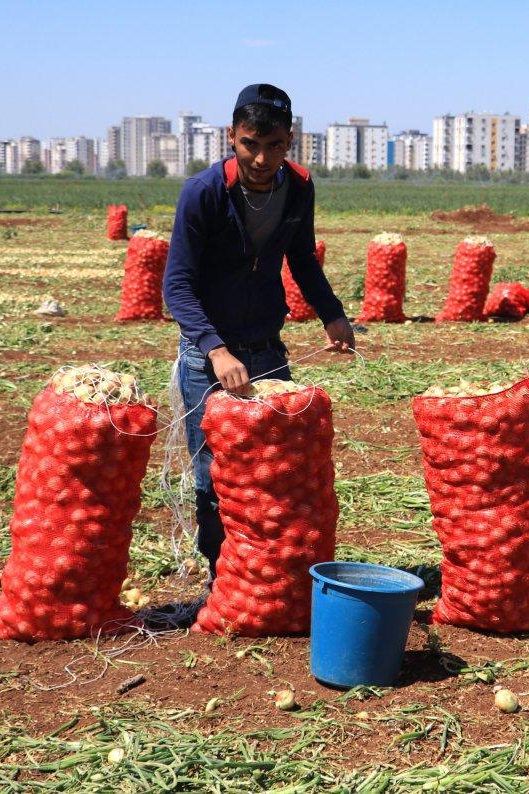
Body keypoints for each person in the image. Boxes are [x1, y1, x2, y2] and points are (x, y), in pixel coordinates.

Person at [163, 83, 355, 583]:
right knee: (215, 478)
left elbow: (302, 259)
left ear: (290, 140)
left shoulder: (299, 187)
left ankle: (271, 575)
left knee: (278, 472)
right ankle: (221, 579)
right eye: (251, 143)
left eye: (274, 145)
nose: (262, 158)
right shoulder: (203, 193)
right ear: (233, 136)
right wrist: (216, 349)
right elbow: (177, 286)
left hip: (268, 352)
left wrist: (331, 313)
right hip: (209, 361)